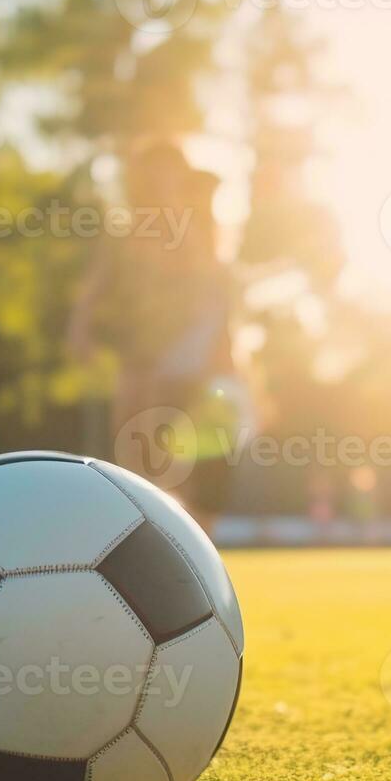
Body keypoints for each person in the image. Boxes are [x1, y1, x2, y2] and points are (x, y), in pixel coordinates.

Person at [70, 141, 244, 535]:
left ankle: (184, 545)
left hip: (188, 363)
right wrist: (80, 328)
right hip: (141, 357)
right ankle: (148, 538)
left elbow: (218, 304)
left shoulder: (198, 229)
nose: (158, 179)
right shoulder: (128, 230)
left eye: (167, 170)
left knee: (182, 460)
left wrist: (225, 365)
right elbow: (96, 286)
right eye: (151, 170)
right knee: (136, 454)